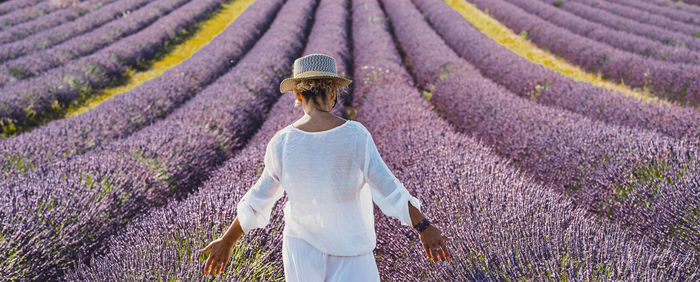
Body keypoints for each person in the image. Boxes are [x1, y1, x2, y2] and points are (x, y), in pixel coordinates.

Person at [199, 53, 451, 281]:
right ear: (333, 93)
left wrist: (227, 241)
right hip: (352, 250)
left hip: (301, 250)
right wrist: (424, 227)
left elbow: (258, 200)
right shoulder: (355, 136)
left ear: (298, 96)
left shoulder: (283, 142)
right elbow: (389, 189)